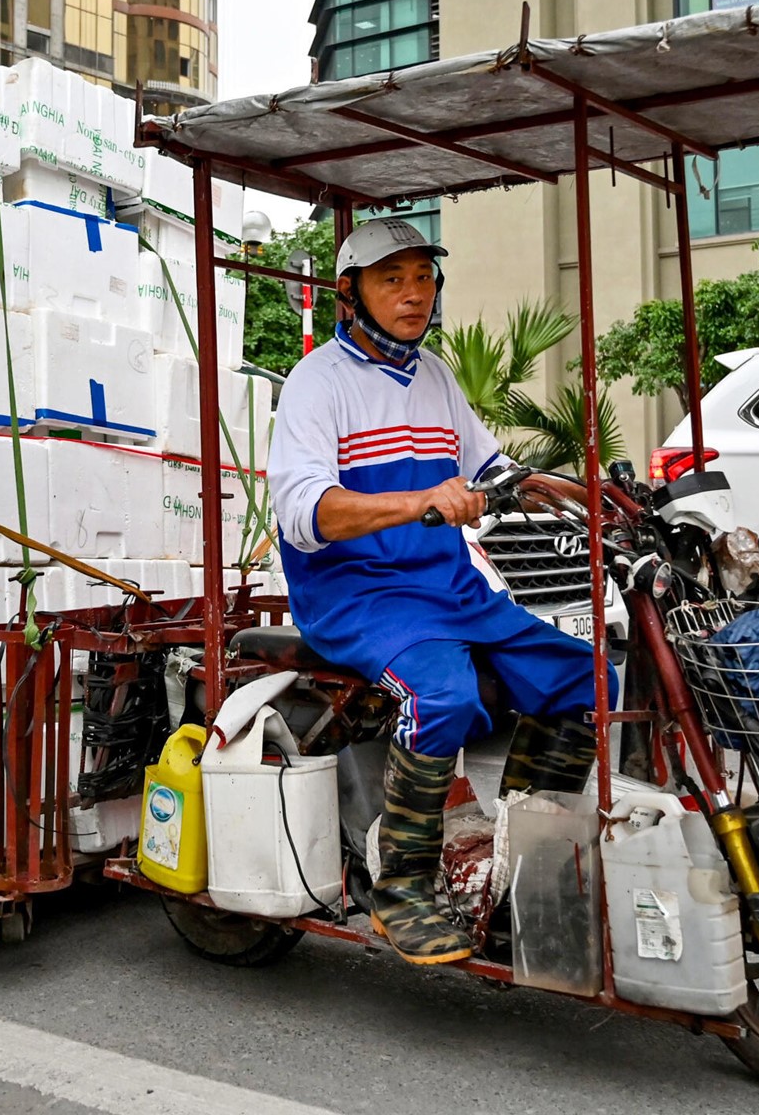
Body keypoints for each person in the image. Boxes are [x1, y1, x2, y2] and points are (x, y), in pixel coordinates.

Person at [266, 217, 614, 966]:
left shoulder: (434, 377)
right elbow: (303, 513)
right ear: (350, 293)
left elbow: (486, 471)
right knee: (444, 698)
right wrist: (418, 500)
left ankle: (522, 863)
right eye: (392, 279)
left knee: (592, 679)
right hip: (357, 594)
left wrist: (564, 487)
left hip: (448, 587)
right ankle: (404, 886)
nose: (413, 294)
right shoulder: (315, 382)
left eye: (423, 277)